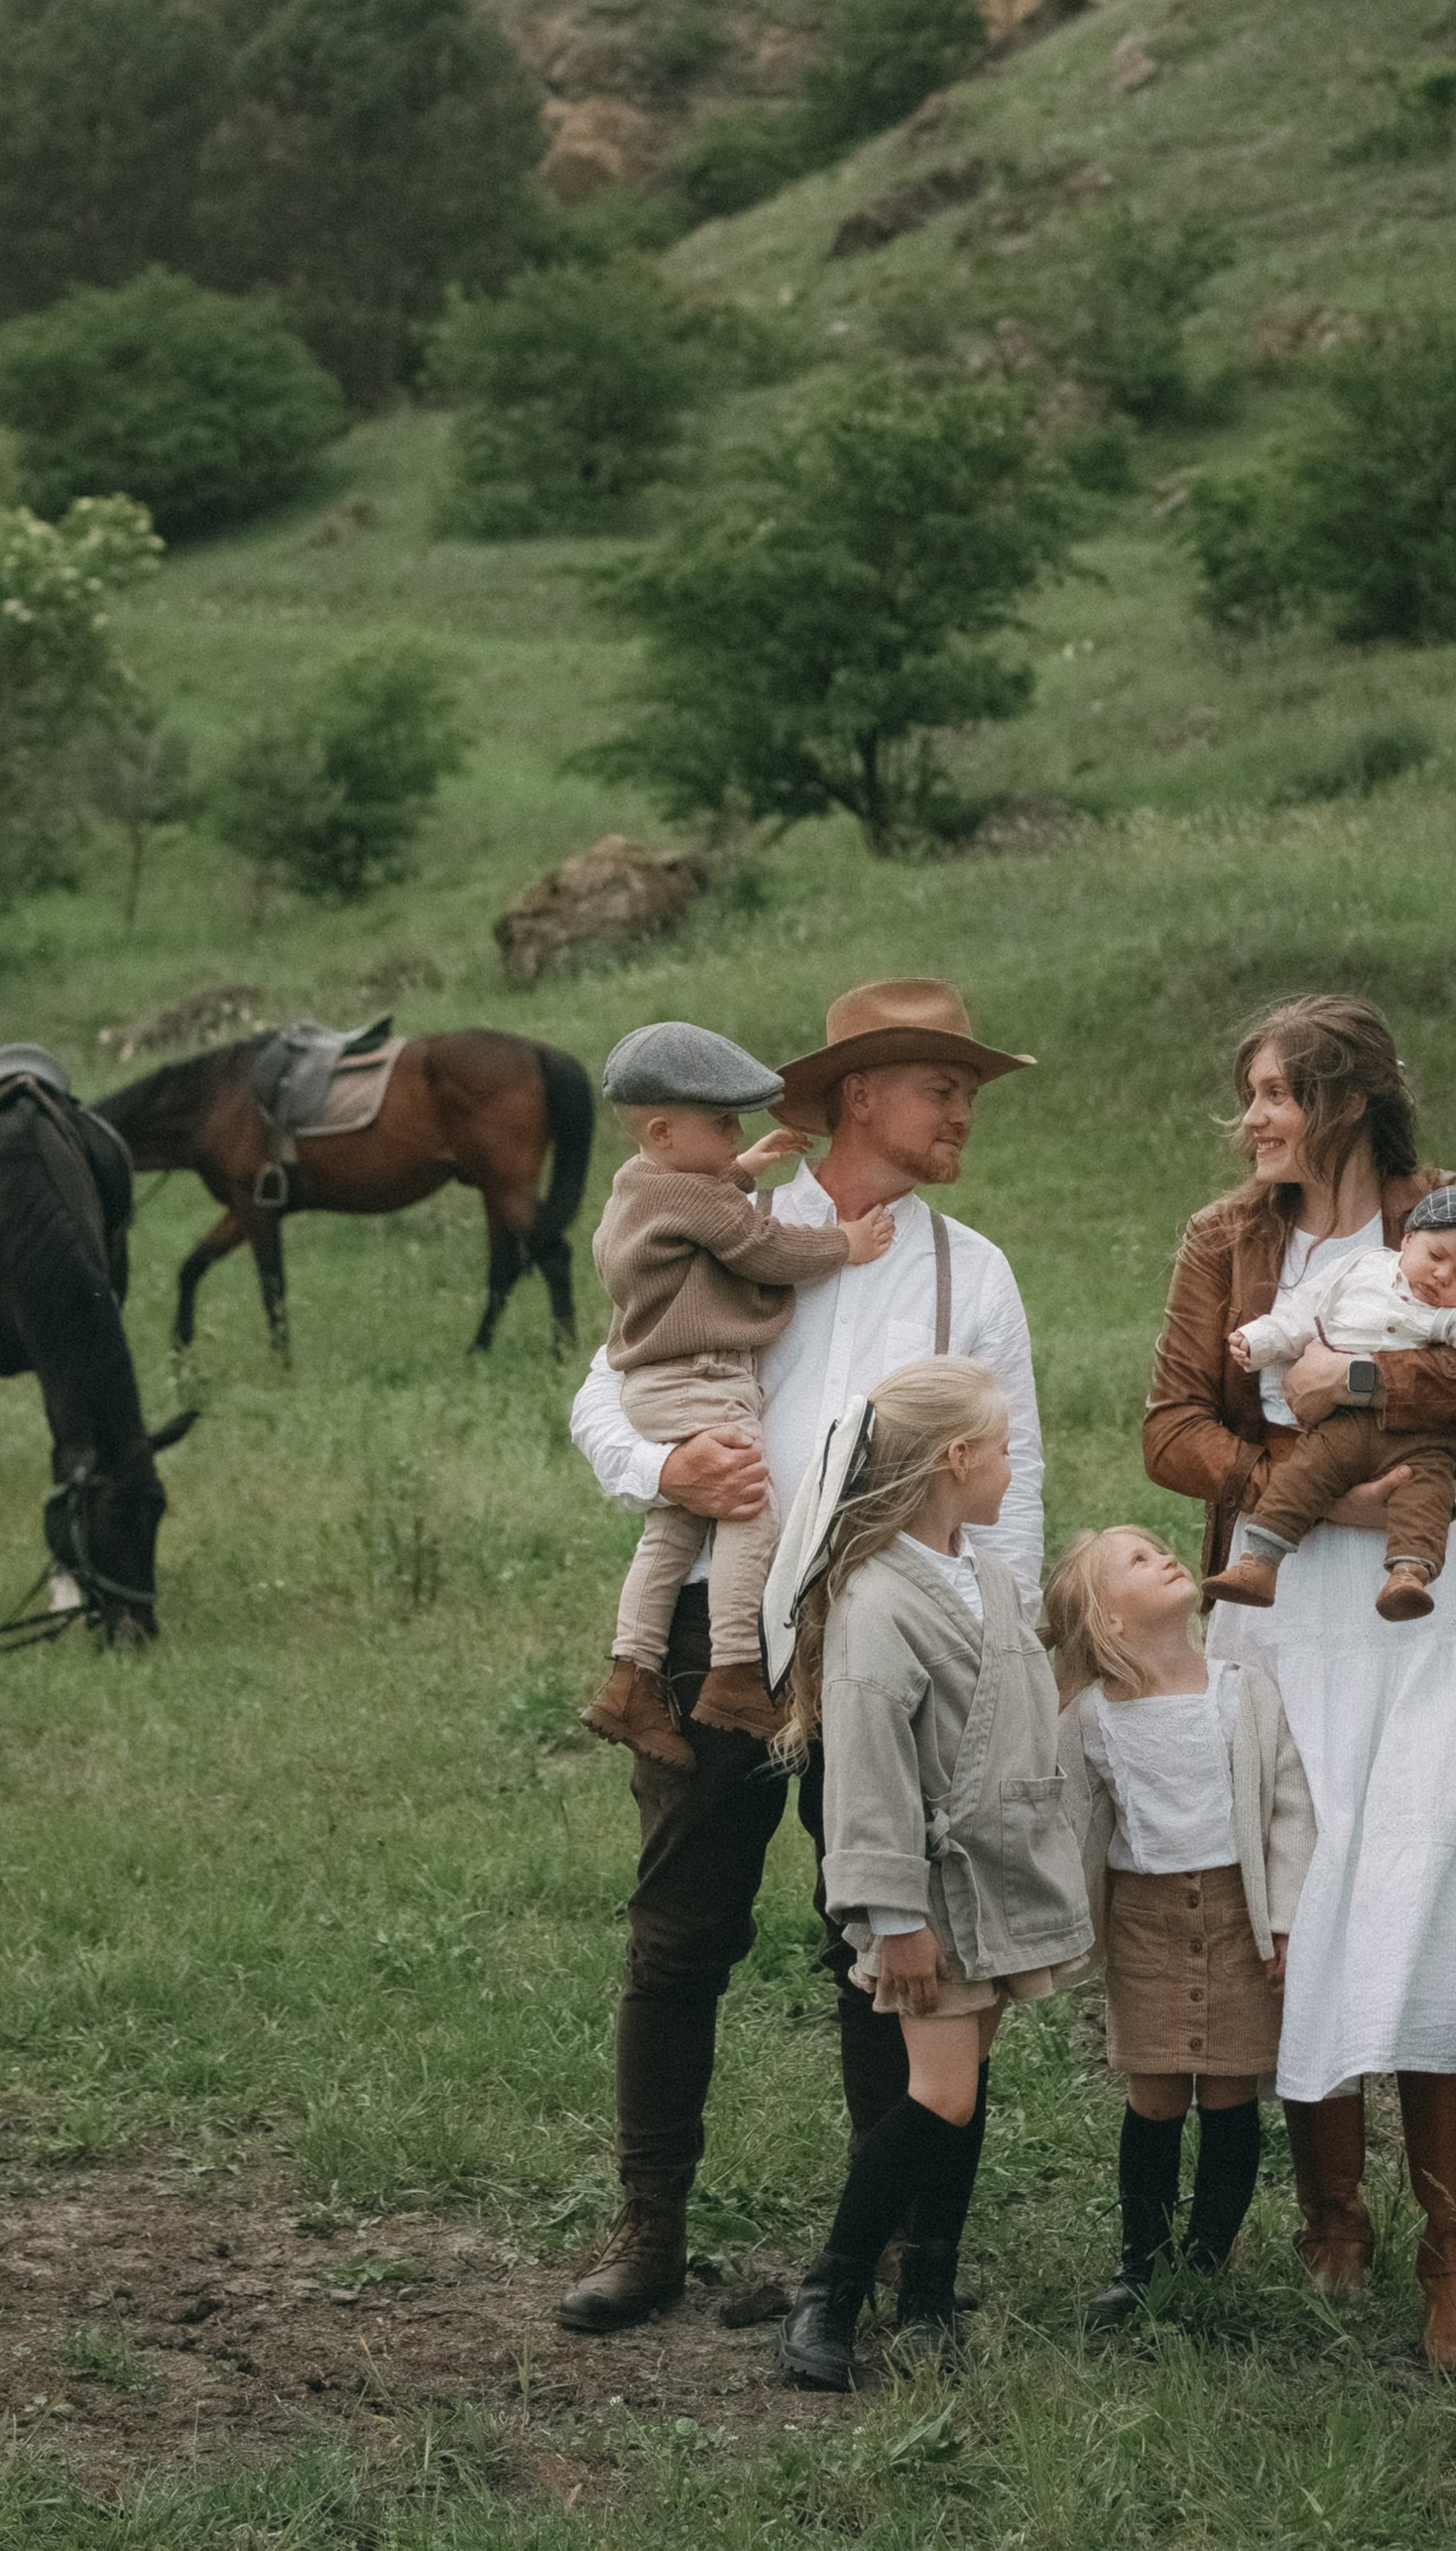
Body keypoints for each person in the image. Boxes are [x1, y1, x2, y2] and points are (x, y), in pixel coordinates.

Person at [559, 979, 1046, 2342]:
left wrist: (1004, 1662)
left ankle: (877, 2246)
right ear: (856, 1097)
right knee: (678, 1937)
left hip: (885, 1648)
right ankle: (649, 2230)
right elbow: (612, 1379)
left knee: (886, 1944)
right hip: (714, 1619)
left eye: (966, 1089)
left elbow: (1023, 1475)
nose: (962, 1110)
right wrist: (664, 1461)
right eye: (941, 1085)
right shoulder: (721, 1221)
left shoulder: (972, 1273)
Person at [1142, 992, 1456, 2373]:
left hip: (1437, 1608)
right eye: (1248, 1090)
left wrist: (1357, 1375)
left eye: (1276, 1091)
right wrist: (1302, 1494)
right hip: (1283, 1601)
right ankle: (1334, 2216)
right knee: (1301, 1902)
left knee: (1432, 1901)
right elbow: (1170, 1429)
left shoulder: (1455, 1214)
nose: (1252, 1116)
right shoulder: (1226, 1237)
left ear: (1351, 1099)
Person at [776, 1357, 1092, 2389]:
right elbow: (864, 1767)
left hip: (996, 1881)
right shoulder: (878, 1601)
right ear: (956, 1460)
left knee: (961, 2088)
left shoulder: (987, 1579)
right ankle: (829, 2293)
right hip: (931, 1893)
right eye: (1002, 1449)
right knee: (940, 2092)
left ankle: (926, 2300)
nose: (1013, 1466)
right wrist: (892, 1912)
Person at [579, 1020, 896, 1768]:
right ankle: (734, 1672)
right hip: (702, 1377)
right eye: (722, 1123)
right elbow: (760, 1247)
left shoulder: (640, 1184)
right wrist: (842, 1246)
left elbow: (699, 1201)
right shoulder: (696, 1199)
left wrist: (740, 1163)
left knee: (676, 1528)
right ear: (663, 1131)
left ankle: (630, 1677)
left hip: (656, 1385)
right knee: (750, 1504)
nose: (735, 1132)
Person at [1043, 1524, 1315, 2333]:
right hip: (1146, 1924)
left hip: (1239, 1916)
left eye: (1159, 1546)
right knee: (1156, 2088)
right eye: (1135, 1559)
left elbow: (1290, 1811)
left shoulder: (1245, 1690)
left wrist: (1286, 1922)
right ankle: (1141, 2258)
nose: (1163, 1555)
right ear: (1110, 1623)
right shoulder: (1089, 1718)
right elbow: (1068, 1823)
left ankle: (1208, 2251)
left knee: (1230, 2088)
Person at [1208, 1180, 1456, 1621]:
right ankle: (1258, 1563)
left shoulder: (1454, 1315)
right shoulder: (1362, 1269)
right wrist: (1259, 1341)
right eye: (1435, 1256)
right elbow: (1303, 1312)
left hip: (1422, 1435)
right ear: (1408, 1239)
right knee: (1303, 1476)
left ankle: (1408, 1576)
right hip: (1342, 1423)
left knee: (1426, 1493)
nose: (1444, 1276)